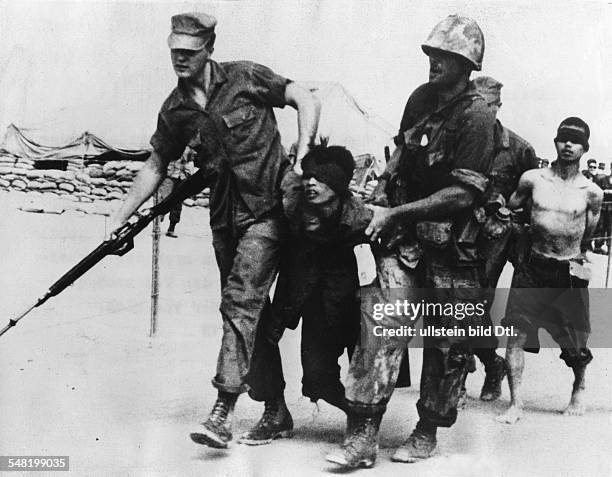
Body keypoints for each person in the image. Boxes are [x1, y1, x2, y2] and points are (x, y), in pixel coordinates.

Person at [109, 12, 320, 449]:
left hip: (272, 211)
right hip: (225, 220)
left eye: (189, 52)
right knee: (247, 312)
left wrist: (301, 155)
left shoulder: (245, 77)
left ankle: (222, 409)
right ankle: (275, 410)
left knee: (241, 301)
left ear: (209, 48)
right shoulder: (176, 109)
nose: (180, 60)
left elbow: (303, 97)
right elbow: (155, 165)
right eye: (175, 52)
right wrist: (118, 215)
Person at [326, 15, 496, 468]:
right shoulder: (420, 100)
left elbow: (463, 192)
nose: (434, 63)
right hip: (404, 244)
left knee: (447, 345)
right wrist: (383, 191)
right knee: (381, 331)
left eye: (445, 57)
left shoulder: (477, 116)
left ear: (467, 64)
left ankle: (426, 432)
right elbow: (401, 151)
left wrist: (398, 212)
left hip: (454, 249)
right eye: (432, 55)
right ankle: (362, 437)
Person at [497, 117, 602, 424]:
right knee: (515, 334)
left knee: (574, 342)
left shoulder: (591, 191)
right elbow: (510, 208)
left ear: (584, 148)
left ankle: (578, 386)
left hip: (566, 272)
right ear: (555, 142)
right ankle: (516, 403)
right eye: (563, 139)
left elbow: (587, 236)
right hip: (532, 267)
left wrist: (580, 262)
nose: (568, 145)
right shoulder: (533, 179)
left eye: (575, 140)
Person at [467, 76, 539, 401]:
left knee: (518, 307)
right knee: (472, 305)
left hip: (510, 236)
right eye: (473, 105)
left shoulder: (520, 149)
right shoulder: (463, 144)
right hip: (473, 238)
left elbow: (534, 196)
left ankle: (502, 370)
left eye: (486, 105)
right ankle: (490, 364)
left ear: (498, 106)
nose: (479, 112)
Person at [162, 146, 195, 238]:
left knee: (177, 203)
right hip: (170, 175)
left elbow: (191, 161)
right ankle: (160, 216)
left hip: (182, 176)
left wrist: (189, 175)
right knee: (164, 198)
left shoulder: (190, 146)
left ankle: (171, 229)